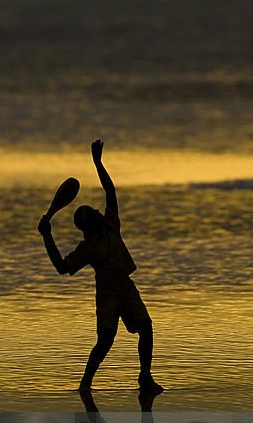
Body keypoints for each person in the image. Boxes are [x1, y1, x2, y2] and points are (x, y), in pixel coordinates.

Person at [38, 140, 163, 393]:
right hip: (107, 292)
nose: (97, 209)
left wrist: (98, 163)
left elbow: (110, 191)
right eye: (91, 212)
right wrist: (47, 237)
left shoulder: (110, 224)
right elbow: (62, 268)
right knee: (105, 341)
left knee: (146, 327)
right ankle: (85, 384)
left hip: (125, 286)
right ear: (88, 224)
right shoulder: (88, 248)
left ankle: (145, 377)